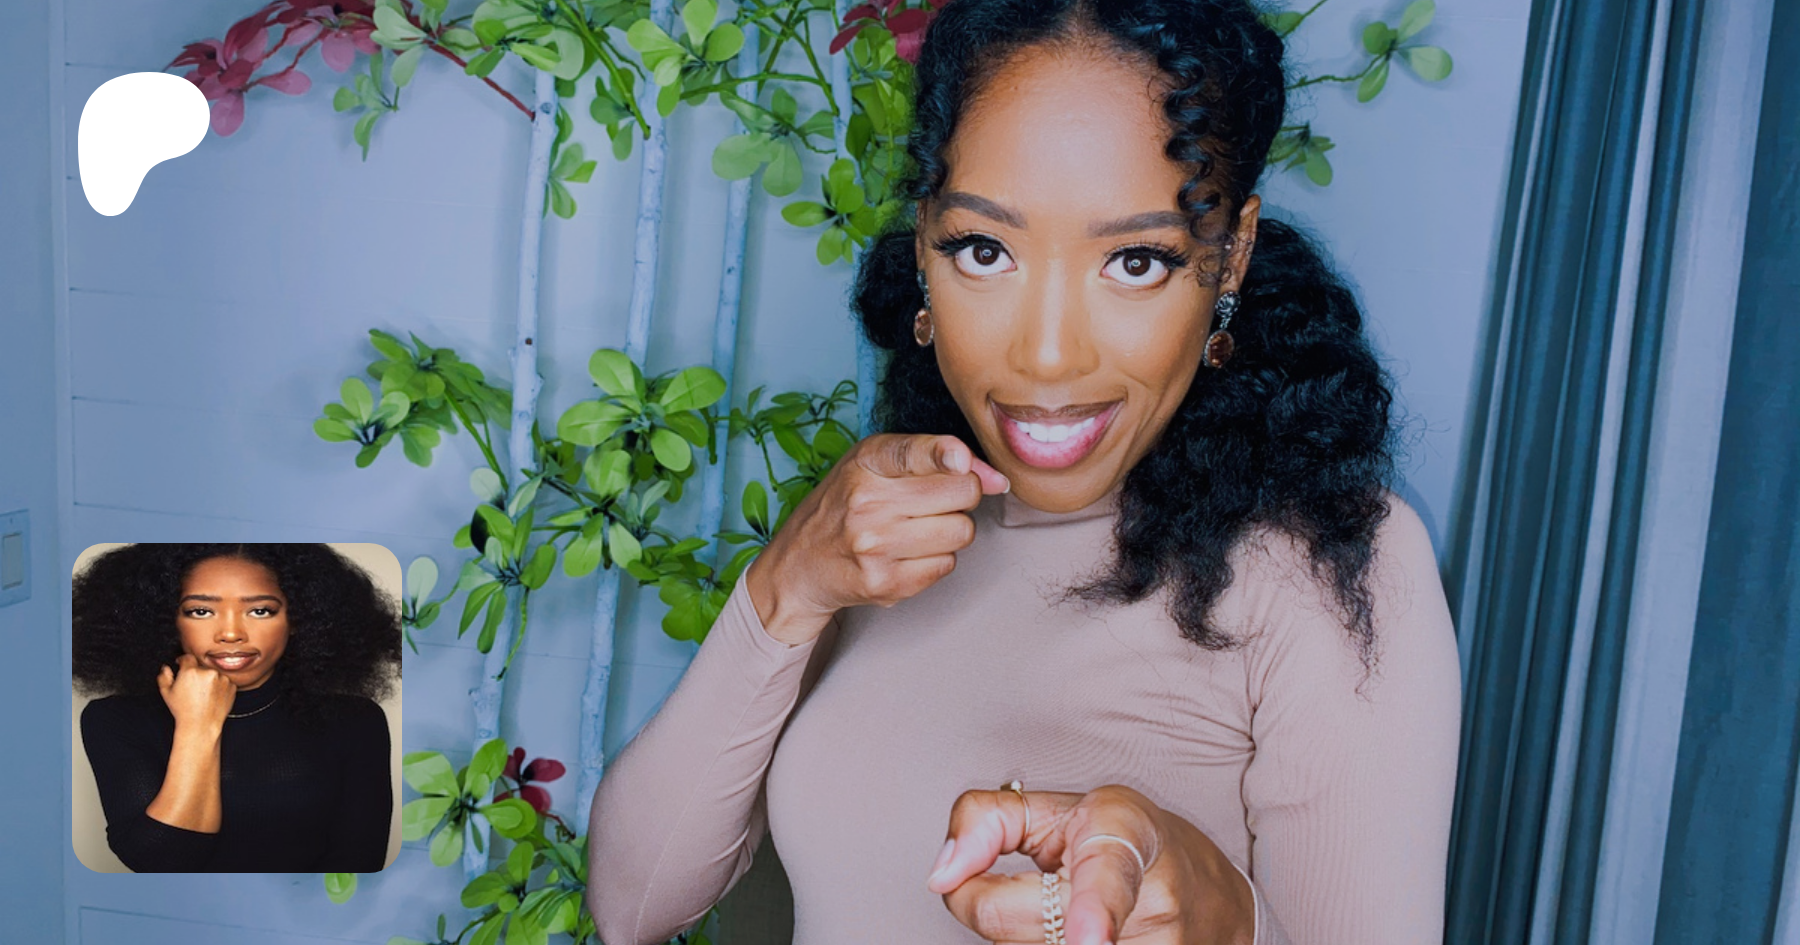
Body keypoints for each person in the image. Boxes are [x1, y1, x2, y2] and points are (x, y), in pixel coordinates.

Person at [587, 0, 1461, 942]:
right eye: (985, 250)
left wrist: (1216, 913)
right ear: (924, 243)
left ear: (1231, 255)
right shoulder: (890, 528)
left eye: (1136, 261)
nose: (1047, 355)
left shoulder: (1328, 564)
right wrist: (785, 588)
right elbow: (633, 907)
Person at [74, 543, 401, 873]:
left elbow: (357, 869)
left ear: (298, 619)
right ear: (167, 620)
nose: (230, 634)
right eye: (201, 611)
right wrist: (197, 726)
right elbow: (159, 863)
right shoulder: (116, 719)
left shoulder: (355, 722)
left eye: (260, 611)